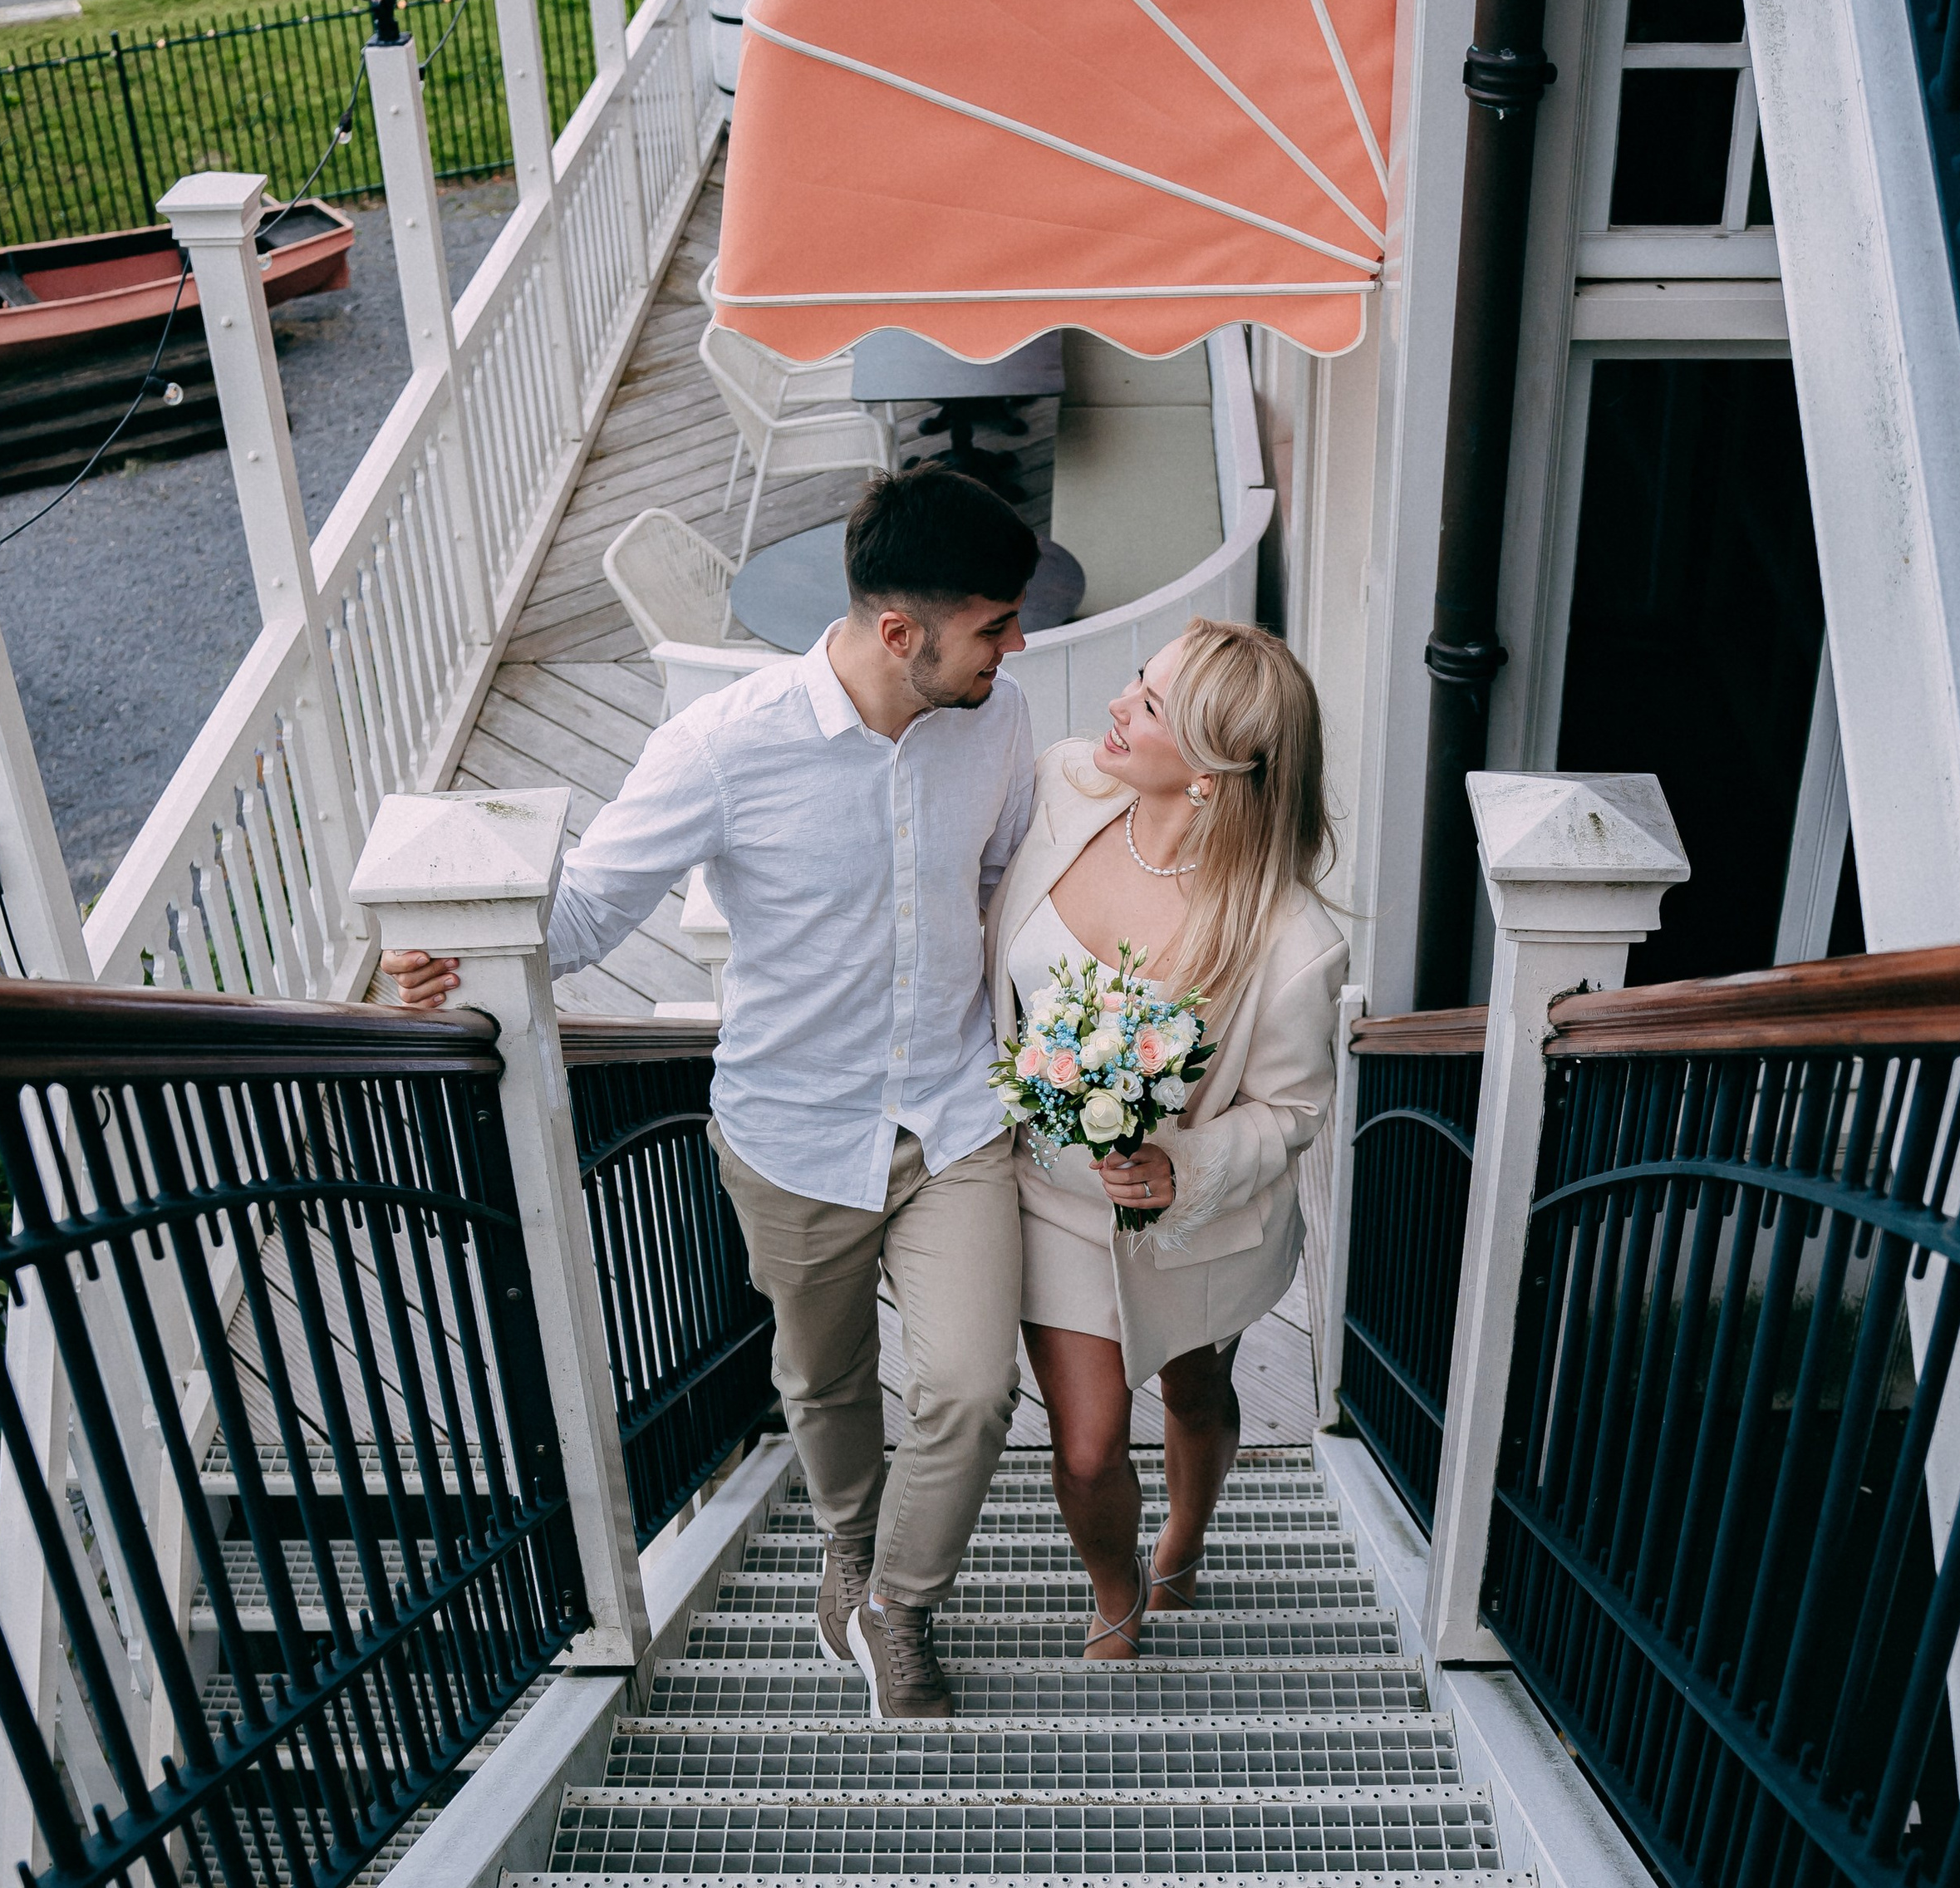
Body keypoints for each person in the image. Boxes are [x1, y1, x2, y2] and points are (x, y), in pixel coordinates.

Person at [384, 466, 1041, 1718]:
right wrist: (451, 951)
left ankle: (897, 1602)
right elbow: (580, 915)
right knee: (824, 1380)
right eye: (995, 625)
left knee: (968, 1384)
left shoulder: (995, 722)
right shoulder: (721, 746)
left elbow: (1005, 874)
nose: (1015, 646)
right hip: (793, 1129)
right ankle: (849, 1540)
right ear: (901, 631)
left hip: (956, 1117)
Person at [985, 617, 1347, 1657]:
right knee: (1089, 1446)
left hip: (1197, 1223)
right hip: (1047, 1200)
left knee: (1196, 1385)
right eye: (1136, 683)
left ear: (1209, 774)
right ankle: (1115, 1594)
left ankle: (1183, 1541)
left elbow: (1291, 1111)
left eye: (1148, 706)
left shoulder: (1290, 938)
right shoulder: (1062, 789)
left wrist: (1175, 1167)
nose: (1115, 706)